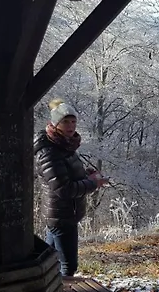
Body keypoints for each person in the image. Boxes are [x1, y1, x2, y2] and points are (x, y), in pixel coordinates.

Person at [34, 98, 108, 276]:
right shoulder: (49, 152)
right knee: (68, 266)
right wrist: (93, 183)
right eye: (65, 121)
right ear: (55, 123)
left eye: (73, 121)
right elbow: (63, 189)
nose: (71, 126)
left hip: (63, 214)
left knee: (47, 261)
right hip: (61, 216)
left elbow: (66, 174)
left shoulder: (64, 144)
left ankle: (46, 289)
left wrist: (87, 174)